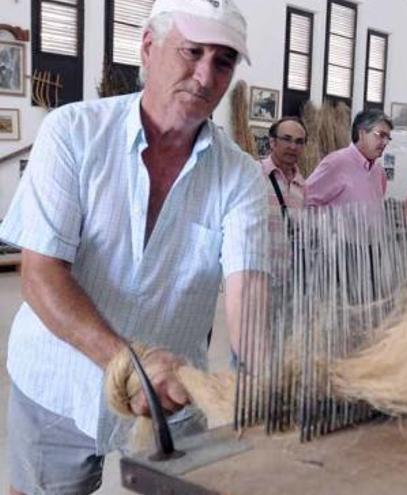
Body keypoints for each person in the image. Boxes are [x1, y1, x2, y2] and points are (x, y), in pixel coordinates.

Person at [0, 1, 268, 493]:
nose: (206, 75)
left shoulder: (241, 176)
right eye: (192, 52)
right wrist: (130, 363)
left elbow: (246, 290)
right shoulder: (73, 134)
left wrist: (255, 387)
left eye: (223, 61)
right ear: (148, 47)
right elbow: (41, 275)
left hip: (172, 396)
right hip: (58, 385)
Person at [304, 109, 392, 207]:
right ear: (361, 133)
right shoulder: (336, 163)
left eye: (387, 138)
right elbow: (304, 201)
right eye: (381, 135)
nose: (385, 142)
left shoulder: (379, 172)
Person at [262, 116, 308, 214]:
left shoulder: (303, 186)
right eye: (287, 139)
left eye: (299, 142)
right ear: (272, 142)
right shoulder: (256, 174)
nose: (293, 147)